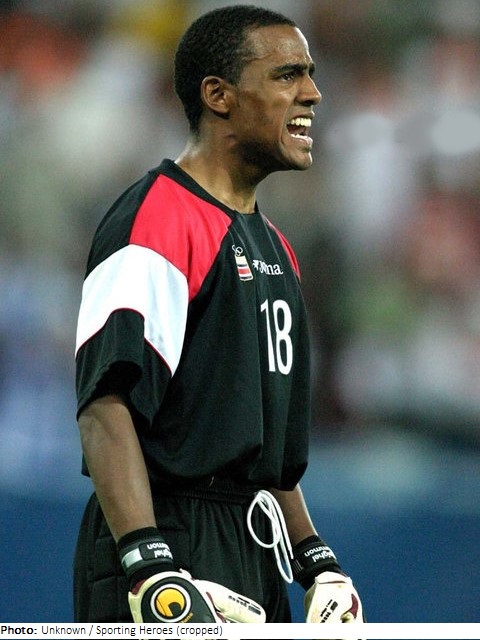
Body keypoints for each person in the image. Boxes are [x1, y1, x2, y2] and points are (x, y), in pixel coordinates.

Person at [73, 4, 364, 625]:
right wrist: (148, 564)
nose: (312, 94)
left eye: (310, 74)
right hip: (165, 539)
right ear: (218, 95)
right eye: (287, 75)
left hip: (256, 547)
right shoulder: (158, 219)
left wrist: (318, 561)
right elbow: (105, 403)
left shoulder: (277, 248)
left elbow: (263, 451)